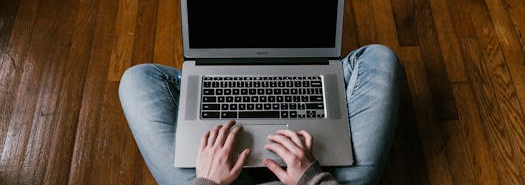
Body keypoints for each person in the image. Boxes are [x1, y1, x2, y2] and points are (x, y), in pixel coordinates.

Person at [119, 44, 401, 185]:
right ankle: (307, 63)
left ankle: (213, 75)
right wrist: (312, 178)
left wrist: (207, 182)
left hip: (218, 181)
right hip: (321, 177)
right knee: (379, 57)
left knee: (137, 79)